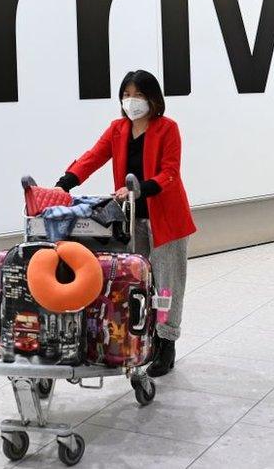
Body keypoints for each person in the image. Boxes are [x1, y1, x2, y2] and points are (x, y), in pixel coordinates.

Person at [54, 69, 196, 377]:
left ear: (153, 99)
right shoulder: (118, 129)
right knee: (139, 282)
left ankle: (166, 343)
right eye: (127, 95)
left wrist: (141, 188)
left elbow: (170, 172)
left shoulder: (167, 129)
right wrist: (65, 183)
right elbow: (93, 157)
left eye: (139, 95)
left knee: (167, 283)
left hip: (165, 219)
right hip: (132, 219)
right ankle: (144, 340)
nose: (131, 101)